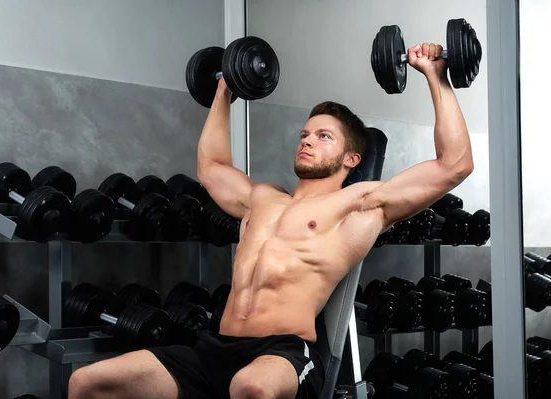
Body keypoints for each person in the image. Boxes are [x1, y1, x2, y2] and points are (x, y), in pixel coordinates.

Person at [68, 41, 473, 399]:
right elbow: (212, 166)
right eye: (305, 134)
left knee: (251, 389)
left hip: (282, 352)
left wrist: (437, 78)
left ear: (352, 160)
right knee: (88, 382)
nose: (308, 140)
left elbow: (454, 164)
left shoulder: (360, 205)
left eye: (324, 136)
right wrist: (224, 89)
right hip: (214, 347)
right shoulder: (261, 198)